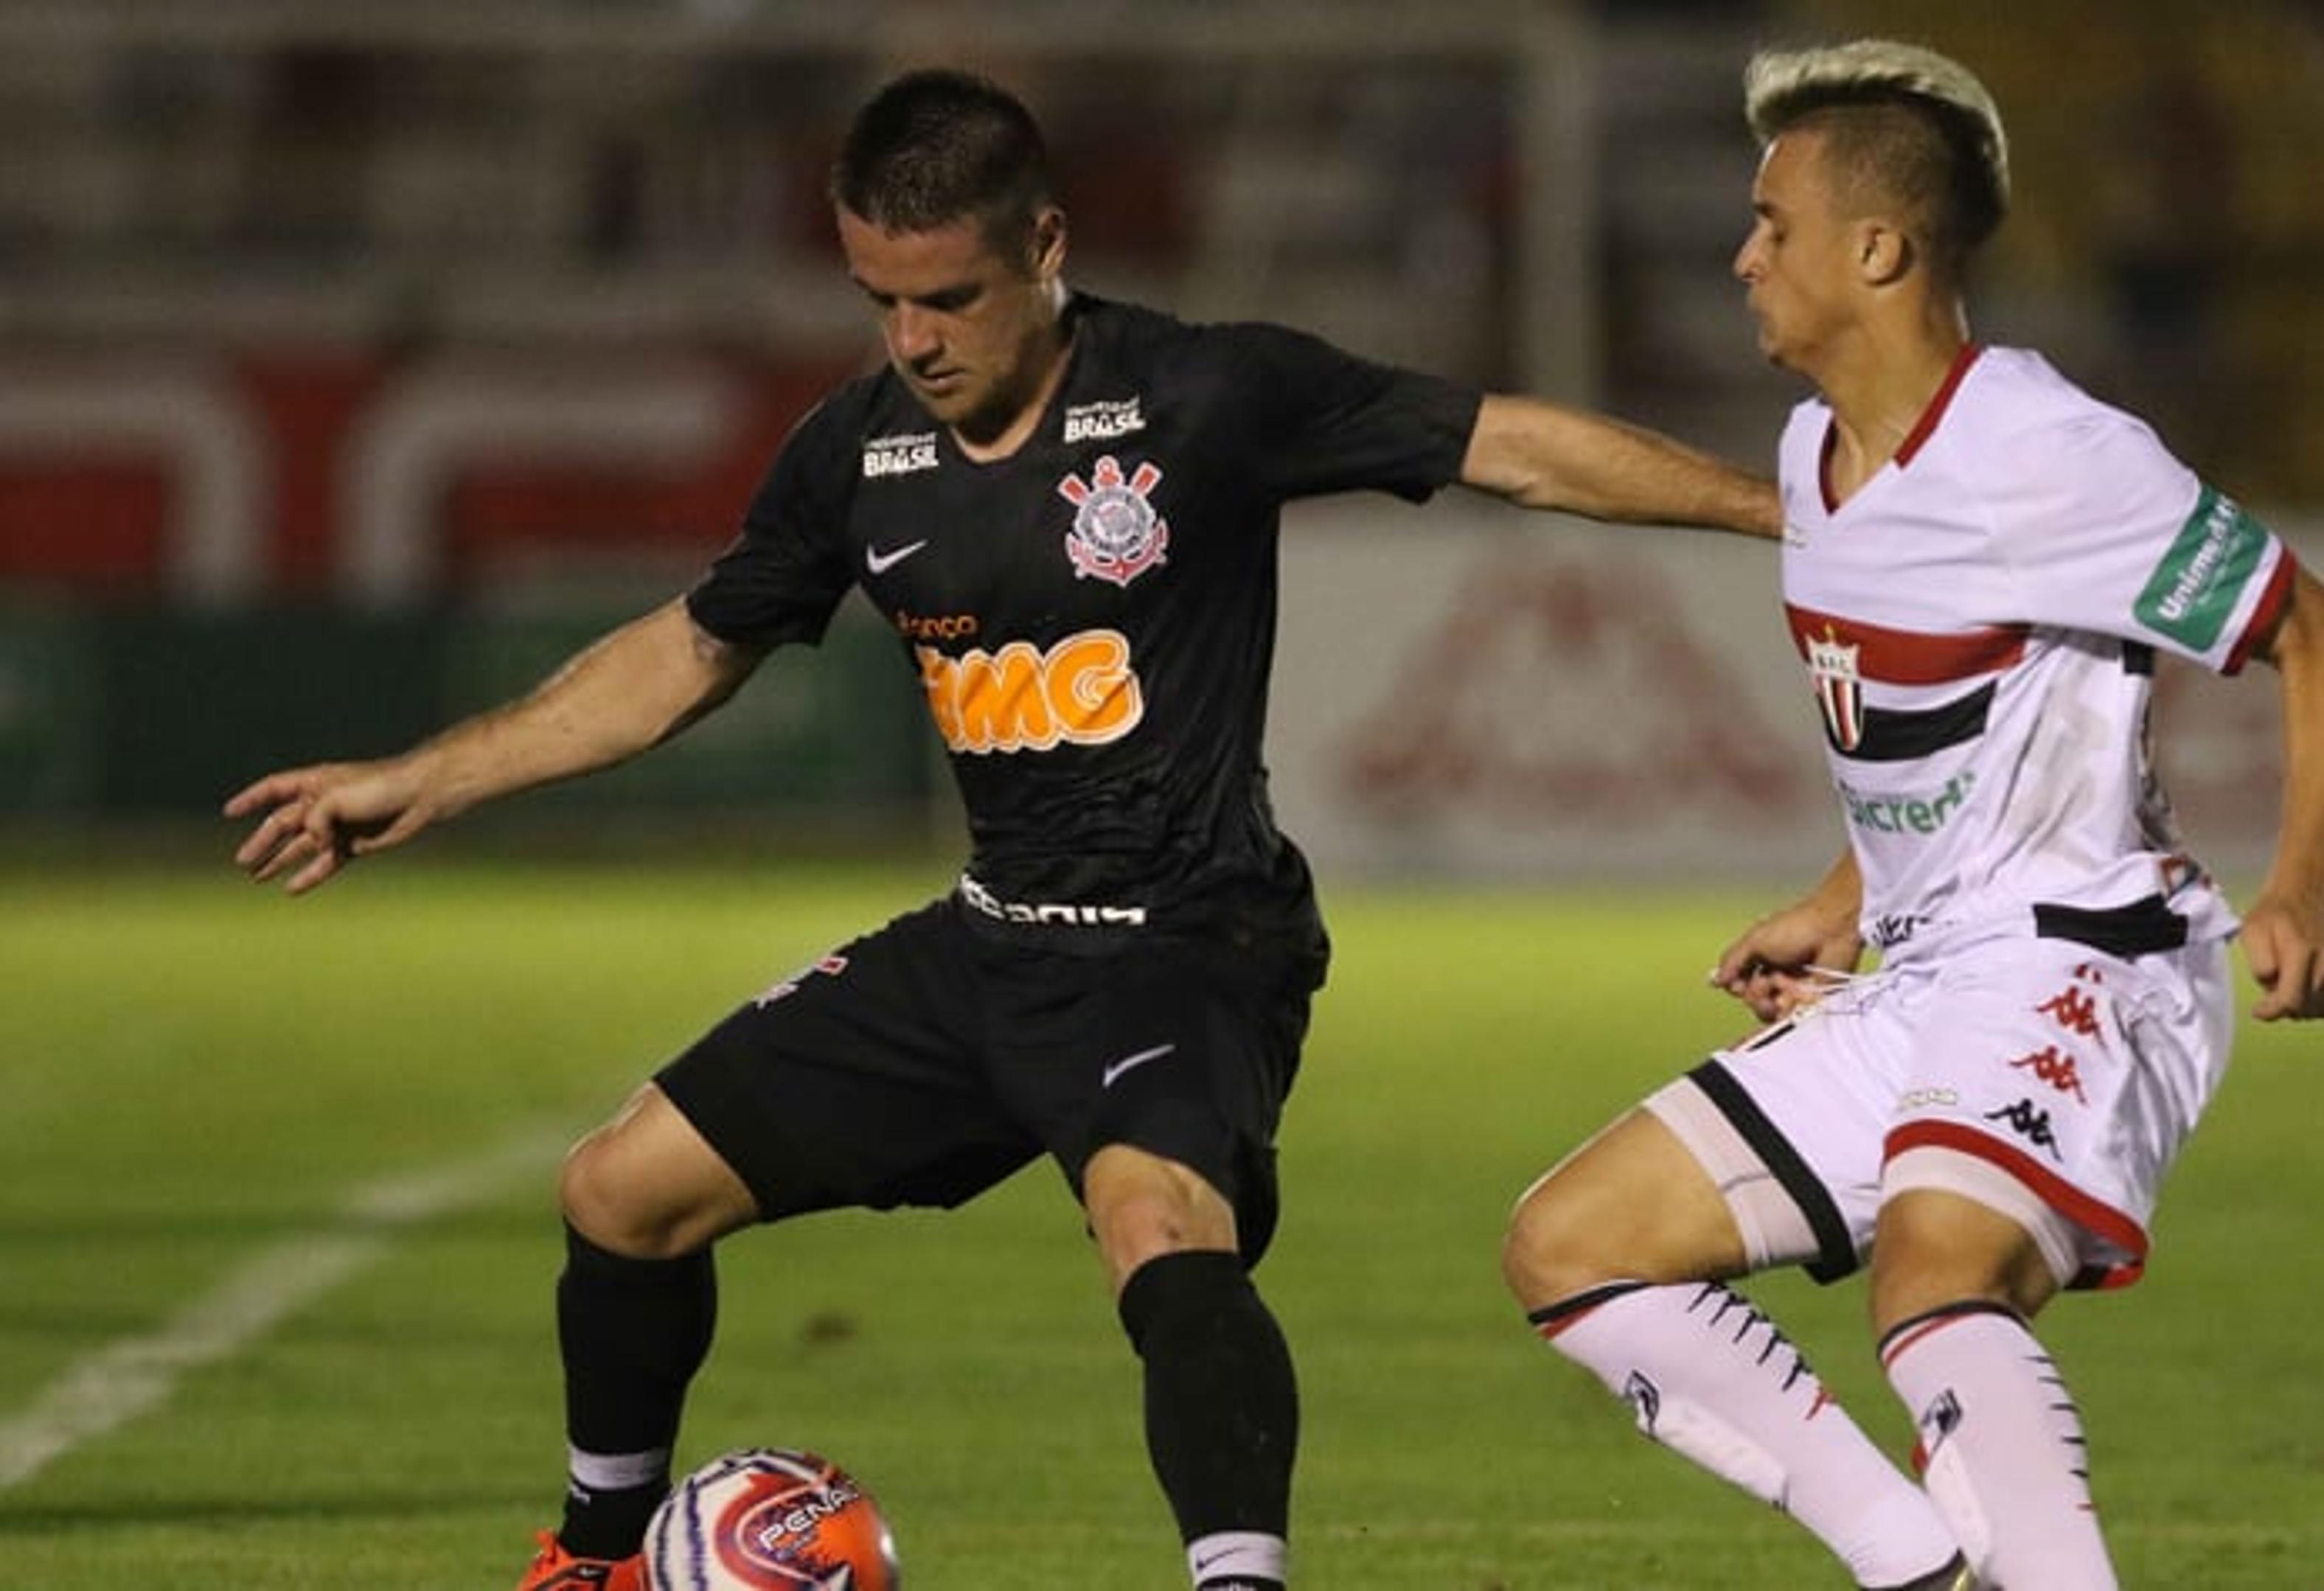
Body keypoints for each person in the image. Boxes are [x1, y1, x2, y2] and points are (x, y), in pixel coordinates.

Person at [224, 68, 1779, 1591]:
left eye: (948, 299)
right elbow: (692, 652)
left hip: (1189, 941)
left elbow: (1509, 442)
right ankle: (589, 1555)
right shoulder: (854, 451)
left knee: (1155, 1219)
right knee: (617, 1191)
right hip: (988, 941)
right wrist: (422, 779)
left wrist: (1787, 510)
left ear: (1045, 250)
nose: (913, 341)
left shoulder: (1205, 394)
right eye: (879, 301)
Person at [1500, 40, 2324, 1591]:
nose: (1743, 255)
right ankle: (1923, 1566)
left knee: (1936, 1276)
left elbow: (2323, 637)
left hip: (2087, 957)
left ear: (1879, 249)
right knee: (1573, 1242)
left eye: (1772, 224)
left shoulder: (2045, 455)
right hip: (1923, 973)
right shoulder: (1813, 456)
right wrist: (1846, 897)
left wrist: (2301, 887)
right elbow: (1950, 740)